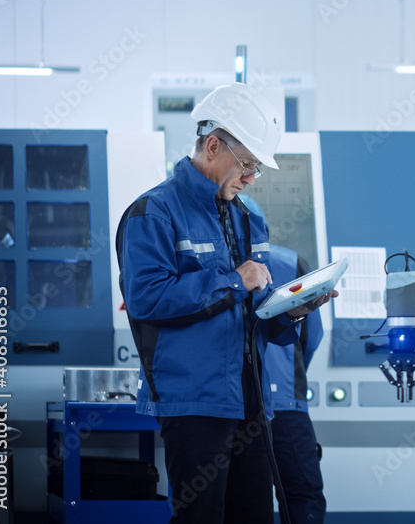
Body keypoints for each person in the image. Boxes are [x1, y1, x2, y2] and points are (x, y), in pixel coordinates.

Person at [115, 82, 333, 524]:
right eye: (248, 164)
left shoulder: (250, 216)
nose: (252, 177)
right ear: (213, 145)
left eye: (257, 168)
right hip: (194, 403)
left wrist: (293, 310)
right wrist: (235, 280)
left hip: (252, 402)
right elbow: (146, 299)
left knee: (253, 516)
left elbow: (259, 315)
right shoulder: (153, 213)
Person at [239, 195, 329, 523]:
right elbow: (312, 335)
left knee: (241, 500)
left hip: (238, 407)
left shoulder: (217, 267)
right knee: (301, 496)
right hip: (287, 403)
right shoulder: (291, 263)